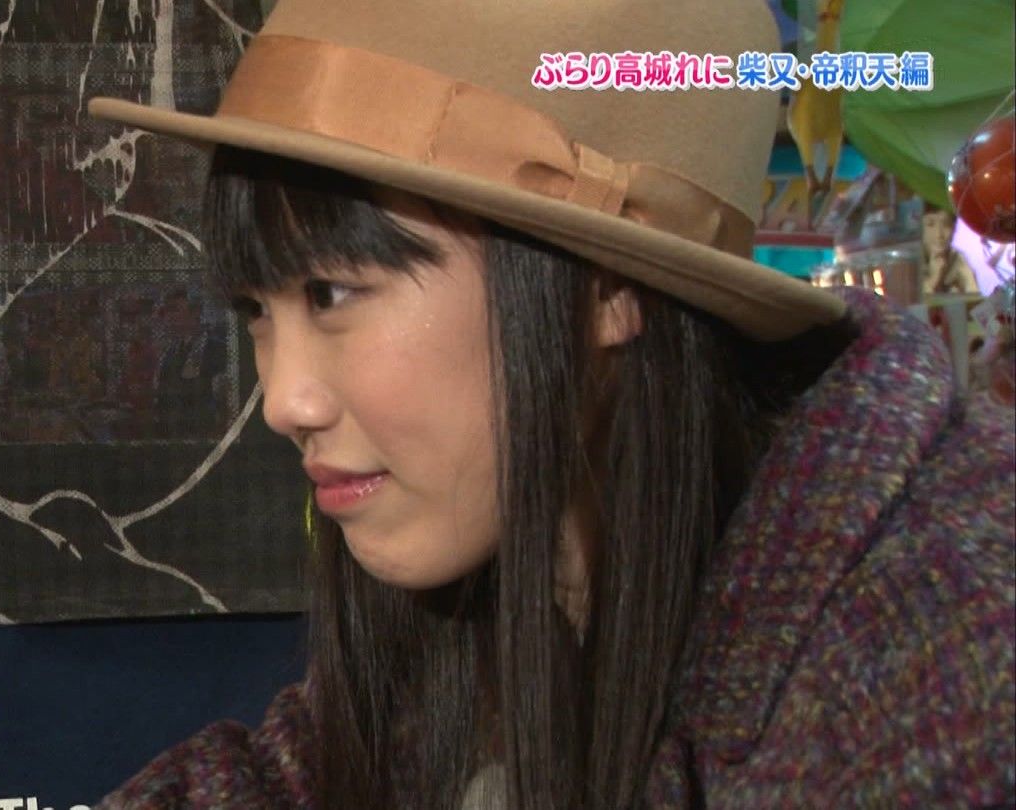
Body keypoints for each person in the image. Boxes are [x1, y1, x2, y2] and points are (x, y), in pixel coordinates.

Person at [85, 0, 1016, 806]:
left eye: (331, 294)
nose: (284, 402)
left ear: (606, 286)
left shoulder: (948, 650)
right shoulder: (491, 587)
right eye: (257, 310)